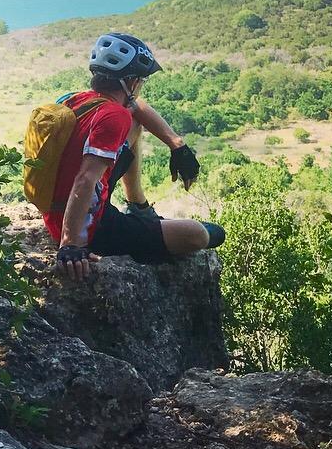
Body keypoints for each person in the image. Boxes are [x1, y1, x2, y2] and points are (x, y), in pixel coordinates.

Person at [46, 33, 225, 281]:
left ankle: (138, 206)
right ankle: (137, 217)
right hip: (91, 227)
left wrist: (177, 145)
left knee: (134, 123)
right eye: (140, 80)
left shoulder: (75, 100)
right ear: (129, 82)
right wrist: (71, 244)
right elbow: (86, 179)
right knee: (203, 234)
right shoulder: (113, 117)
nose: (140, 86)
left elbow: (137, 108)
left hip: (56, 208)